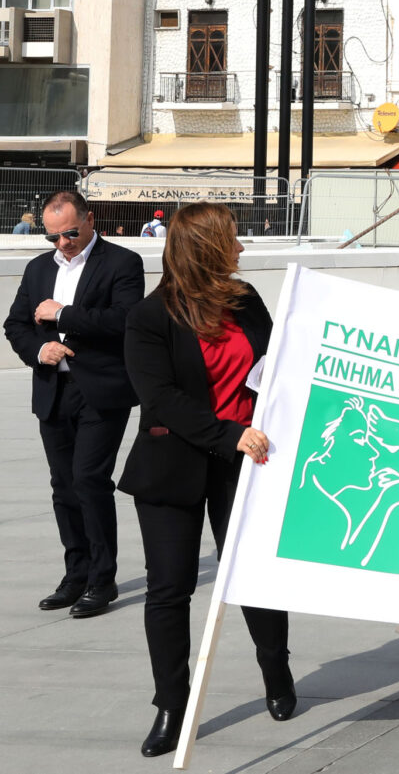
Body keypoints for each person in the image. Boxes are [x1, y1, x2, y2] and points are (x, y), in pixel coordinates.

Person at [118, 203, 293, 757]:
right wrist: (226, 432)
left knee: (254, 578)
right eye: (232, 240)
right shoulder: (148, 317)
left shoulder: (245, 301)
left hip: (246, 462)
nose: (241, 249)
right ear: (207, 248)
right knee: (169, 589)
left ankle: (276, 672)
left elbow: (279, 364)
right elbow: (160, 398)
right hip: (173, 466)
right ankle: (172, 702)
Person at [4, 189, 145, 617]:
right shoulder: (36, 270)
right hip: (53, 389)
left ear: (89, 219)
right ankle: (76, 573)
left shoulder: (122, 262)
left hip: (101, 391)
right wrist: (38, 351)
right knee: (63, 486)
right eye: (53, 237)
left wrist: (63, 315)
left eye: (68, 233)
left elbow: (126, 319)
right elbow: (15, 325)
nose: (62, 243)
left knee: (89, 480)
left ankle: (102, 580)